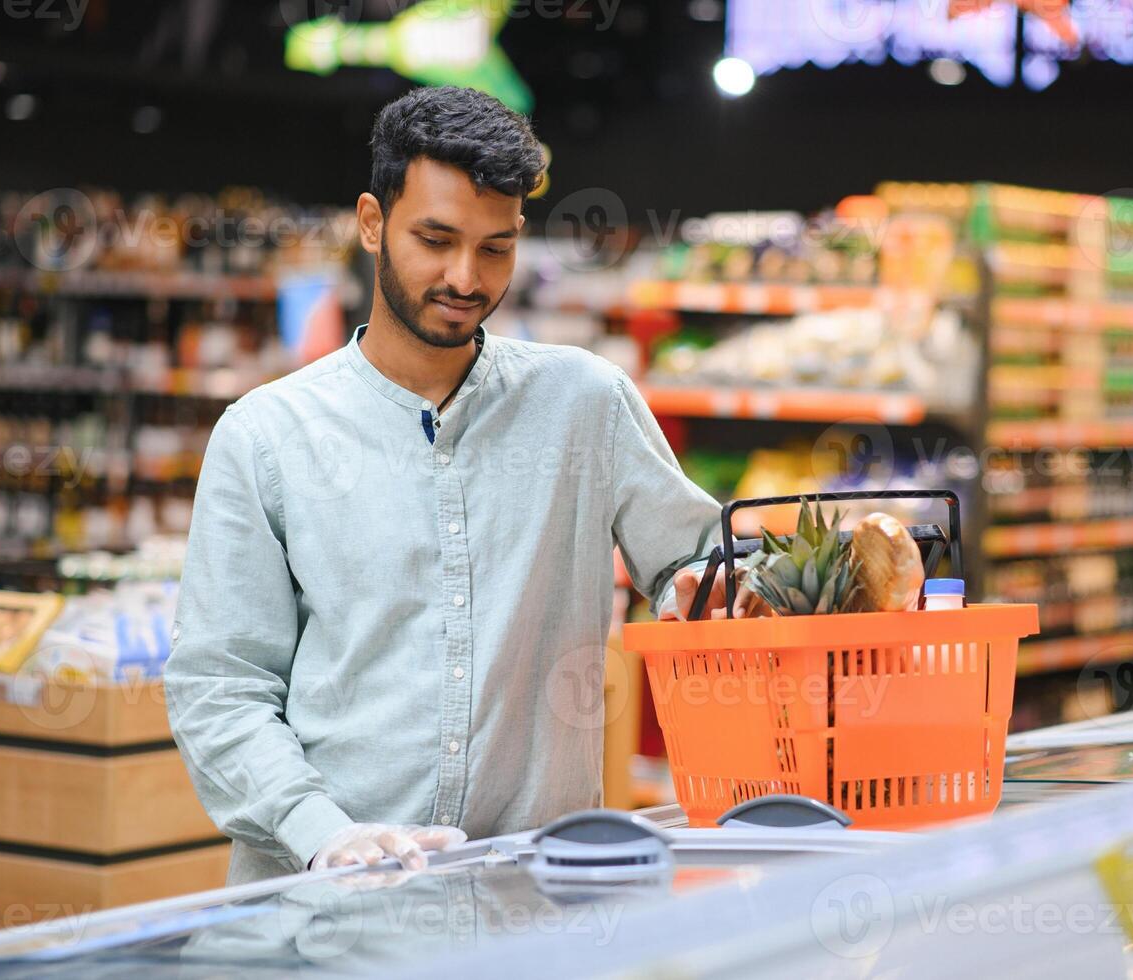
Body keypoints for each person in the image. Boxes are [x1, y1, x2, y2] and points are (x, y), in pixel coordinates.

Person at [165, 86, 760, 885]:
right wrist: (323, 835)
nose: (464, 277)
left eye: (495, 247)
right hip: (319, 914)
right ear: (372, 223)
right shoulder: (267, 435)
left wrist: (711, 590)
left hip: (526, 904)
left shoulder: (585, 404)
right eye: (435, 239)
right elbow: (220, 685)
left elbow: (699, 564)